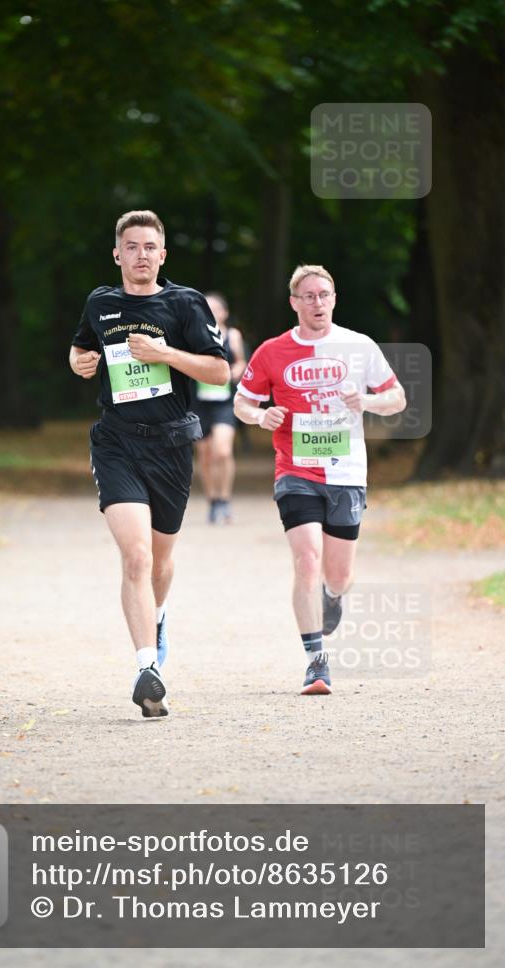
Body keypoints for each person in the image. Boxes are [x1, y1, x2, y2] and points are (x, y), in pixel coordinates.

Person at [69, 210, 229, 718]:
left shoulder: (184, 303)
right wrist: (78, 361)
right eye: (131, 246)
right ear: (117, 254)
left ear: (163, 254)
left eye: (149, 247)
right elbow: (80, 349)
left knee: (160, 561)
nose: (141, 255)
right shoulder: (101, 303)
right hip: (116, 443)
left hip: (171, 446)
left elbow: (220, 372)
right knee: (135, 557)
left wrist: (167, 354)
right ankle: (147, 667)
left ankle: (157, 620)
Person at [234, 264, 406, 695]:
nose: (317, 302)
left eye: (323, 295)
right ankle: (316, 662)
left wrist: (365, 400)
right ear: (294, 303)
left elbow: (397, 398)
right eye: (307, 296)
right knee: (306, 558)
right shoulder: (272, 352)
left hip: (347, 471)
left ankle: (333, 594)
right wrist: (261, 415)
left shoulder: (359, 346)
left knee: (337, 572)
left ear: (334, 299)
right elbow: (242, 403)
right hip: (295, 470)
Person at [193, 292, 246, 524]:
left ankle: (224, 499)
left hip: (225, 402)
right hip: (198, 403)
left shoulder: (233, 335)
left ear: (224, 313)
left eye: (216, 309)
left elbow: (241, 362)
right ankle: (212, 501)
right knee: (204, 454)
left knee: (222, 451)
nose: (211, 313)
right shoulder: (192, 334)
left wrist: (236, 370)